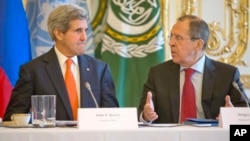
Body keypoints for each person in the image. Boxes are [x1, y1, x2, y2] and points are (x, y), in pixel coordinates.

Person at [3, 4, 119, 121]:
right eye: (78, 31)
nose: (84, 37)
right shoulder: (32, 71)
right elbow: (13, 119)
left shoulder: (100, 69)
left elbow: (113, 117)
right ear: (58, 33)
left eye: (85, 30)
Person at [138, 15, 249, 124]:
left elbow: (245, 114)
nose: (171, 43)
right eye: (171, 37)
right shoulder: (158, 74)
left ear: (198, 44)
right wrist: (146, 116)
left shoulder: (227, 75)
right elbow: (142, 114)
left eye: (178, 38)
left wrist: (233, 116)